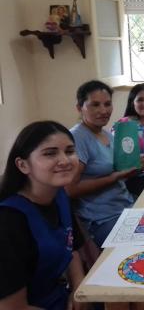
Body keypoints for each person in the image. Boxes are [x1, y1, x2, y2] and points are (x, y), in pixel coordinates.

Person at [0, 121, 86, 310]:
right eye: (50, 153)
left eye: (70, 151)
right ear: (22, 165)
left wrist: (78, 289)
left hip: (58, 296)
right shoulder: (9, 221)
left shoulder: (59, 195)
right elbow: (12, 307)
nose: (64, 160)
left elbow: (71, 248)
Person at [66, 80, 135, 247]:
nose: (103, 110)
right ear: (79, 107)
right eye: (95, 105)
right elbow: (70, 189)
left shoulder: (106, 134)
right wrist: (115, 177)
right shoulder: (77, 137)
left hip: (126, 204)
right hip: (103, 219)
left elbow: (123, 167)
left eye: (107, 104)